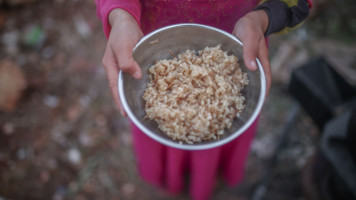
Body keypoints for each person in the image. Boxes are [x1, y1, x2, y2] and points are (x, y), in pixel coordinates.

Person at [95, 1, 312, 199]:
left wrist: (262, 18)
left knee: (214, 141)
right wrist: (121, 14)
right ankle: (170, 181)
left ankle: (207, 181)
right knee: (162, 138)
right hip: (149, 38)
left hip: (238, 50)